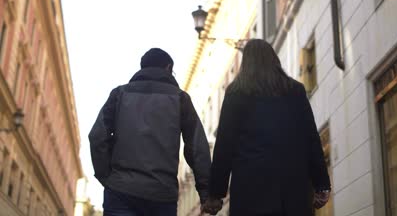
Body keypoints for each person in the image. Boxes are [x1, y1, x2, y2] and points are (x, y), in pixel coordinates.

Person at [203, 39, 331, 216]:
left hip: (251, 190)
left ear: (245, 63)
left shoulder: (236, 93)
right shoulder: (295, 90)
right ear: (274, 60)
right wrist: (321, 183)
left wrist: (216, 193)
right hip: (293, 189)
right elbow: (310, 138)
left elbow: (225, 145)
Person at [89, 48, 215, 216]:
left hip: (121, 192)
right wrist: (205, 193)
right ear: (168, 68)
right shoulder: (180, 99)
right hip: (161, 195)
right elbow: (196, 147)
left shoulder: (120, 94)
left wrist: (107, 178)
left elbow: (98, 136)